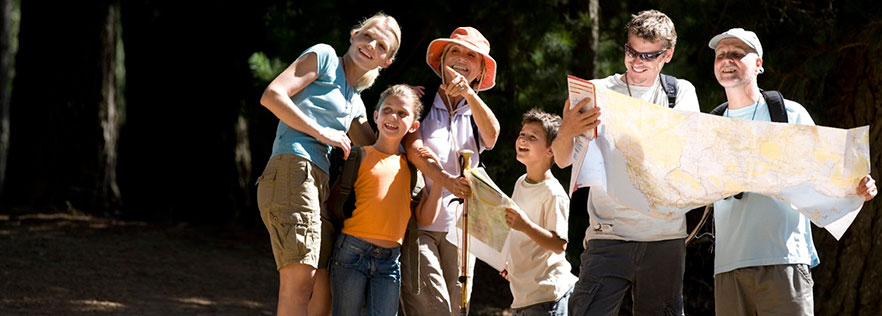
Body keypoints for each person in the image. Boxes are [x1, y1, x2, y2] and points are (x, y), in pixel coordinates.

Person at [707, 28, 878, 316]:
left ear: (759, 64)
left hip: (784, 261)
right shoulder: (709, 125)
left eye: (737, 54)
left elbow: (828, 171)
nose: (727, 60)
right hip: (728, 267)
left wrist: (856, 188)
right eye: (721, 55)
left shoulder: (789, 114)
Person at [551, 10, 700, 316]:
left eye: (648, 56)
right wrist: (567, 129)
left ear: (668, 55)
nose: (636, 62)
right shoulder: (595, 90)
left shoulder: (680, 93)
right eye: (631, 52)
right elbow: (563, 160)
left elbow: (687, 157)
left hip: (664, 237)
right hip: (608, 235)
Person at [255, 13, 401, 316]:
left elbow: (377, 147)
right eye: (367, 36)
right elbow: (272, 96)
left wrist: (407, 103)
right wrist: (322, 132)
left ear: (386, 62)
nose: (371, 45)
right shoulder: (324, 57)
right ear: (353, 36)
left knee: (322, 287)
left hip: (317, 183)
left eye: (381, 46)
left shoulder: (356, 102)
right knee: (299, 284)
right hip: (294, 165)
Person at [399, 26, 500, 316]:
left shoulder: (476, 110)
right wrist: (446, 181)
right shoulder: (420, 99)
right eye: (454, 51)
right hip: (419, 223)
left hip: (464, 228)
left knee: (457, 309)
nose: (461, 58)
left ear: (480, 70)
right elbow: (413, 148)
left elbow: (492, 137)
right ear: (441, 60)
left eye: (472, 55)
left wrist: (468, 94)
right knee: (433, 308)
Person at [328, 84, 423, 316]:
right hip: (351, 252)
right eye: (388, 110)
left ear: (414, 125)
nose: (393, 117)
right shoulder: (359, 155)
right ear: (376, 116)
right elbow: (335, 201)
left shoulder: (411, 167)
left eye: (402, 113)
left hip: (390, 261)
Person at [499, 109, 577, 316]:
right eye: (522, 134)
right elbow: (520, 235)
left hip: (548, 296)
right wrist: (510, 262)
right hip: (523, 296)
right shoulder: (520, 183)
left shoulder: (554, 193)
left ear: (550, 150)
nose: (522, 139)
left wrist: (526, 226)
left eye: (532, 137)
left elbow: (559, 244)